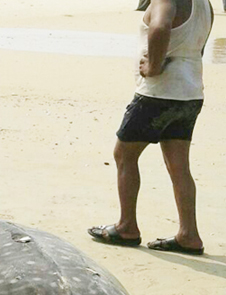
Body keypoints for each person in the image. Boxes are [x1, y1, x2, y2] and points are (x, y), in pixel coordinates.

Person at [89, 0, 214, 255]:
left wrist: (153, 66)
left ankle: (126, 227)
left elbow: (160, 26)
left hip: (158, 93)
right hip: (189, 92)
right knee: (179, 167)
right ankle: (188, 234)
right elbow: (199, 43)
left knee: (124, 155)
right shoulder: (204, 3)